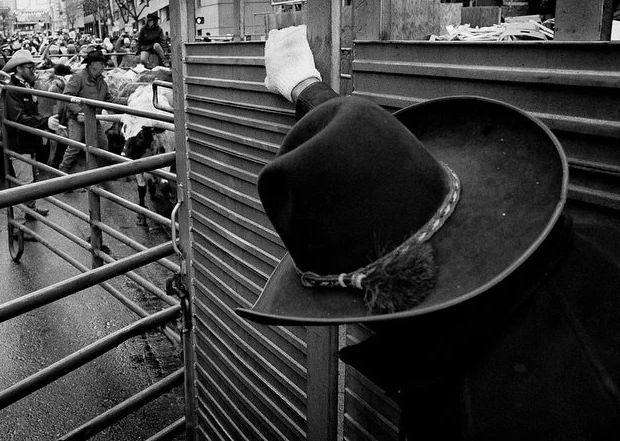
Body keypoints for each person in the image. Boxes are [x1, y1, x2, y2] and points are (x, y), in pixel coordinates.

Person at [236, 25, 620, 439]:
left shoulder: (462, 417)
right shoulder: (602, 245)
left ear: (381, 296)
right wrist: (306, 87)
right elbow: (371, 170)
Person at [3, 49, 50, 231]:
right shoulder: (13, 90)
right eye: (30, 67)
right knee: (24, 182)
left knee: (32, 177)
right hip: (19, 142)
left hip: (28, 141)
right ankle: (19, 227)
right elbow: (19, 118)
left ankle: (31, 209)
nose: (33, 70)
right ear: (19, 68)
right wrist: (45, 122)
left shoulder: (25, 86)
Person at [54, 47, 111, 177]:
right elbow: (67, 97)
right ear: (92, 64)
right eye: (101, 63)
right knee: (75, 146)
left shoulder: (101, 81)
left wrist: (130, 99)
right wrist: (80, 112)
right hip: (78, 119)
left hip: (93, 118)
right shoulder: (78, 77)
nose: (104, 66)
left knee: (103, 145)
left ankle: (98, 174)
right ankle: (63, 174)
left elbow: (109, 98)